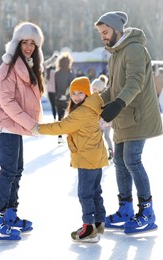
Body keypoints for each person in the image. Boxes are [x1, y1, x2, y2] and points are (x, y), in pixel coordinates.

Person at [94, 11, 163, 234]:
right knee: (121, 163)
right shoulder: (115, 53)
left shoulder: (134, 49)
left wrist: (117, 104)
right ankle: (125, 209)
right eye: (100, 33)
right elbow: (113, 88)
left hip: (137, 114)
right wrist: (94, 101)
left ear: (116, 29)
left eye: (105, 32)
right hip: (123, 116)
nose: (103, 37)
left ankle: (147, 212)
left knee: (132, 160)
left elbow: (135, 82)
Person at [0, 22, 45, 241]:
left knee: (16, 170)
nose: (28, 47)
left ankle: (10, 214)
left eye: (33, 43)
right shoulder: (8, 67)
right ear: (16, 43)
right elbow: (8, 102)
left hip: (14, 125)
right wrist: (31, 124)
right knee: (8, 172)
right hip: (5, 124)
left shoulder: (27, 65)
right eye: (24, 42)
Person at [35, 76, 109, 243]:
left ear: (87, 93)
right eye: (73, 93)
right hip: (96, 155)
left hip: (86, 158)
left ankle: (89, 228)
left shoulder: (81, 112)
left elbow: (61, 127)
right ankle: (98, 222)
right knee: (95, 191)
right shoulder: (93, 105)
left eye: (80, 93)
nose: (75, 96)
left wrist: (38, 128)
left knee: (85, 194)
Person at [91, 74, 114, 160]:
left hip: (105, 121)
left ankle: (110, 150)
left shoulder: (103, 98)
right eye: (92, 88)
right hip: (102, 121)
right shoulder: (94, 97)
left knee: (105, 136)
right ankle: (100, 152)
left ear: (100, 89)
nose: (93, 90)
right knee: (100, 137)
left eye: (94, 89)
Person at [55, 52, 75, 144]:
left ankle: (59, 136)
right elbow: (72, 86)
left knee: (60, 117)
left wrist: (59, 95)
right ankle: (71, 135)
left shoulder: (56, 73)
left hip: (59, 98)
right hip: (70, 98)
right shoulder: (70, 73)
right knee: (71, 117)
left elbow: (55, 87)